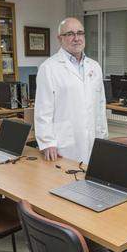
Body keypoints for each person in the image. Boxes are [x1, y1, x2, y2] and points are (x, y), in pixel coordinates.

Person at [34, 17, 108, 162]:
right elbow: (43, 110)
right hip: (63, 144)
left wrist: (103, 136)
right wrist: (47, 142)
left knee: (90, 181)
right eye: (70, 34)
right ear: (60, 38)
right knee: (65, 182)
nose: (76, 38)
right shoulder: (48, 68)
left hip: (93, 140)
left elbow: (100, 105)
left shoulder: (95, 67)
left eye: (80, 33)